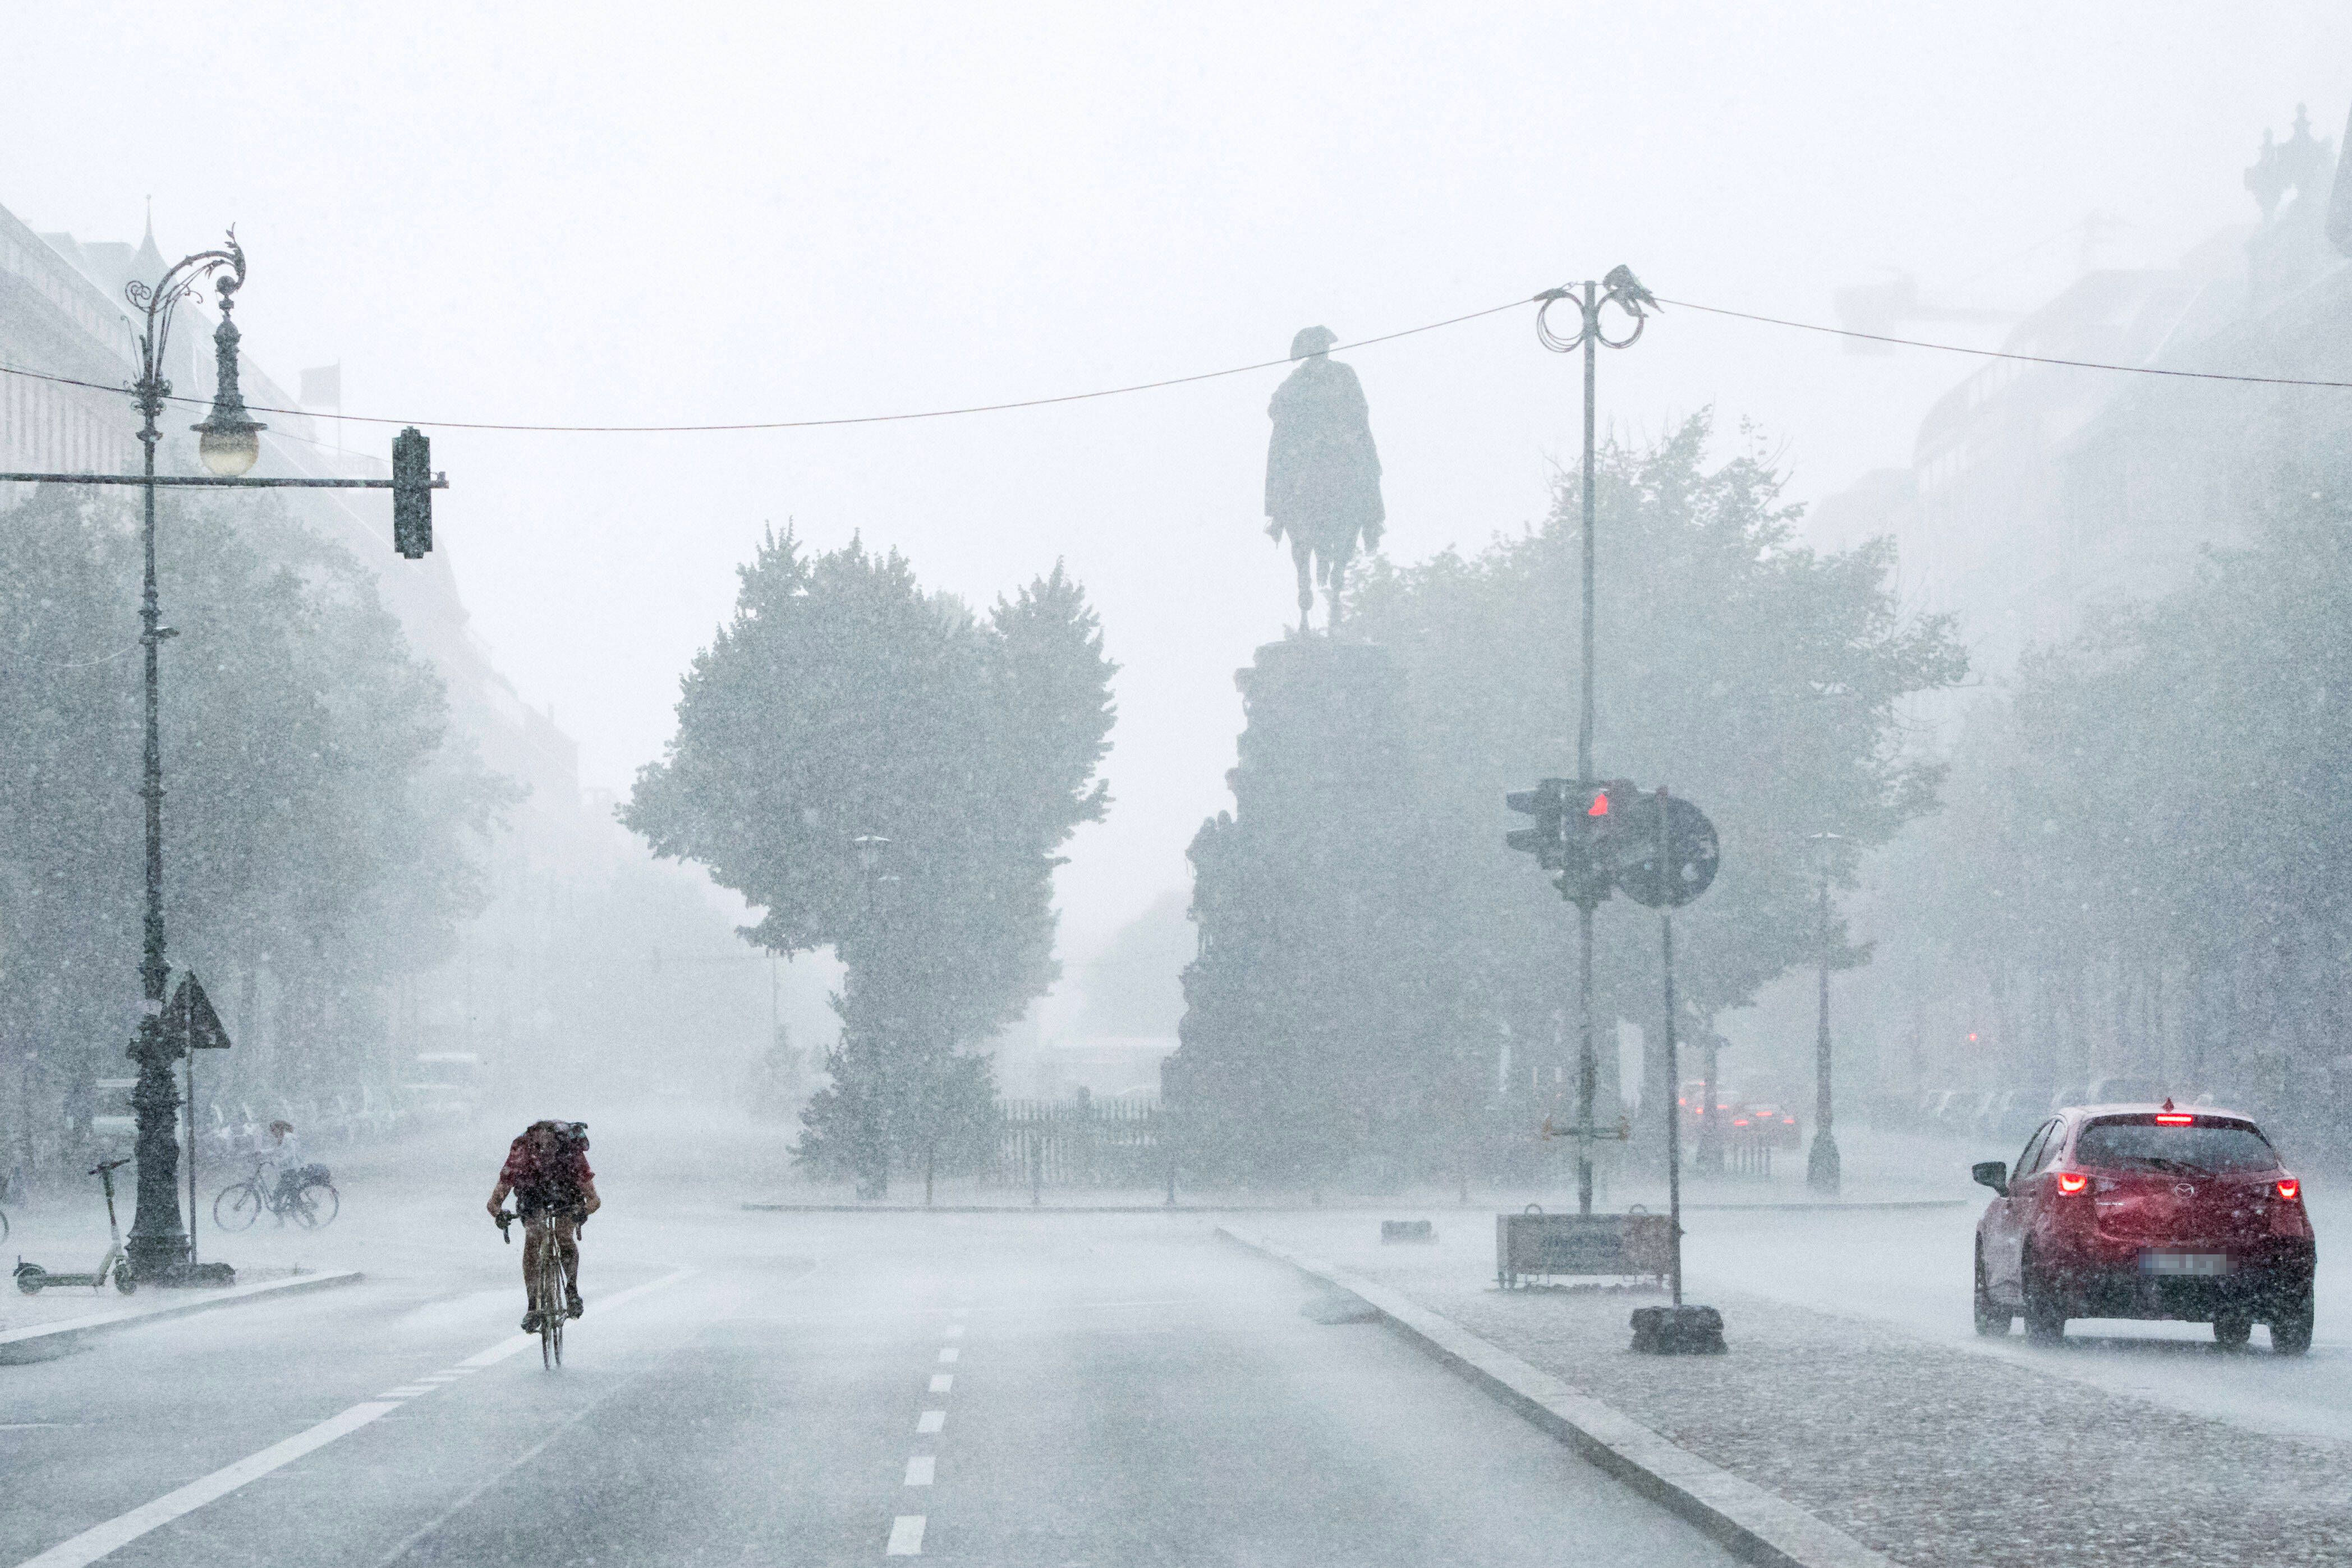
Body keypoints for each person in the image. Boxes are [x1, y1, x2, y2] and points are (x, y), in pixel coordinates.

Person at [486, 1120, 599, 1332]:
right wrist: (499, 1214)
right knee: (534, 1238)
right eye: (541, 1147)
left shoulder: (571, 1153)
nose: (546, 1151)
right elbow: (494, 1202)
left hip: (566, 1190)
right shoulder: (522, 1154)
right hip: (532, 1193)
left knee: (563, 1235)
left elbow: (594, 1199)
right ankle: (532, 1306)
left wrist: (581, 1211)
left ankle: (572, 1290)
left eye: (551, 1146)